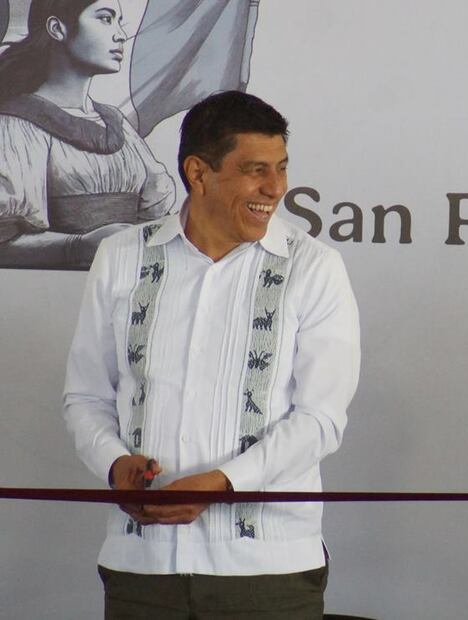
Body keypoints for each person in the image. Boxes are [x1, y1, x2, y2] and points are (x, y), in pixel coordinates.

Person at [63, 90, 360, 618]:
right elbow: (86, 396)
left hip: (268, 574)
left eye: (281, 168)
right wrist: (114, 465)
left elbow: (321, 420)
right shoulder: (121, 257)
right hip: (142, 569)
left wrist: (223, 485)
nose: (275, 189)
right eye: (255, 170)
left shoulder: (314, 267)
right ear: (197, 172)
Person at [0, 0, 175, 269]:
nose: (120, 34)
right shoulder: (16, 125)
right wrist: (78, 246)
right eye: (105, 19)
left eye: (119, 22)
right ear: (57, 28)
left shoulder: (118, 125)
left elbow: (154, 214)